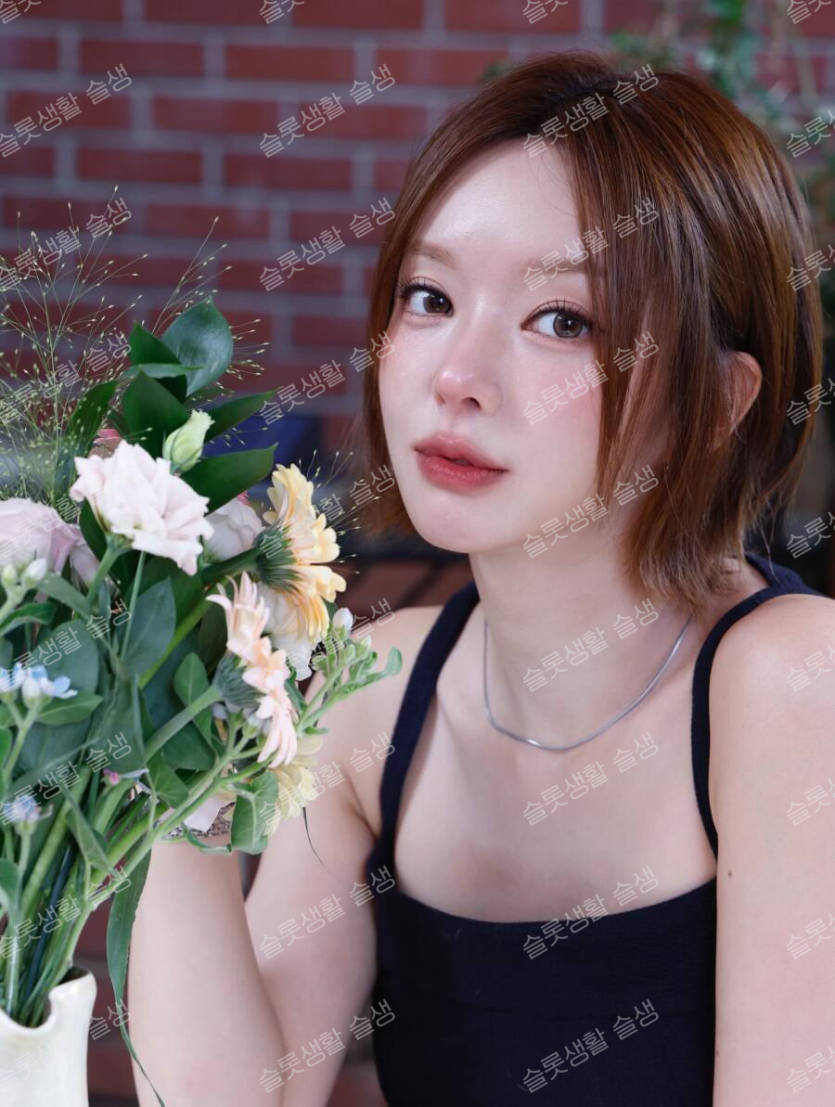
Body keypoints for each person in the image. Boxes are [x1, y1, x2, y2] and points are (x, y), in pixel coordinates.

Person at [128, 51, 835, 1106]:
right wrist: (159, 735)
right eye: (429, 297)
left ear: (718, 404)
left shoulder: (789, 685)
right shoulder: (371, 697)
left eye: (563, 321)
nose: (457, 377)